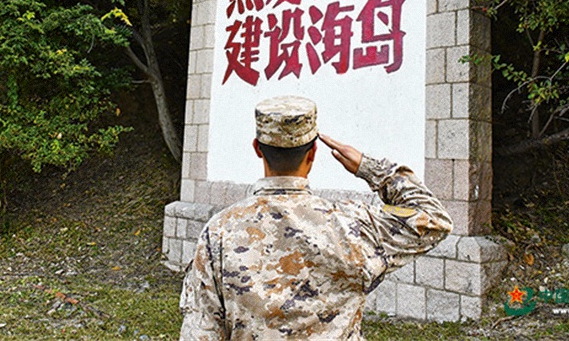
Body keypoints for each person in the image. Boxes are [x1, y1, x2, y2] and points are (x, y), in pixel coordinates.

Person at [179, 95, 453, 340]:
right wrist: (371, 168)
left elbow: (201, 331)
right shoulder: (353, 224)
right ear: (313, 153)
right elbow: (433, 218)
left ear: (257, 148)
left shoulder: (220, 232)